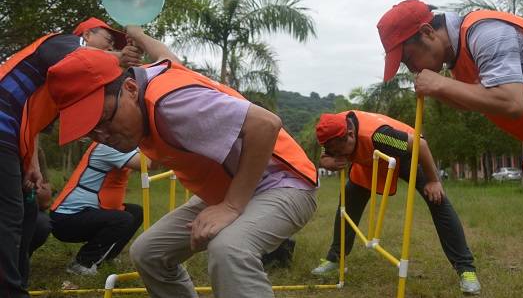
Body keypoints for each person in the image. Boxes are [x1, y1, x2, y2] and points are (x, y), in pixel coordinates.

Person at [45, 27, 319, 298]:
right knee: (148, 253)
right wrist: (139, 35)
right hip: (229, 186)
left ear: (130, 89)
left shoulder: (173, 104)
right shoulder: (142, 88)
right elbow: (168, 58)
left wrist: (232, 205)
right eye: (90, 131)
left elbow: (266, 124)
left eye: (104, 120)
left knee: (229, 249)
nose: (102, 136)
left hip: (284, 182)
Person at [376, 0, 523, 298]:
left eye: (407, 59)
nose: (410, 68)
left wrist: (440, 86)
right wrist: (443, 88)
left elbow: (510, 102)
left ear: (428, 32)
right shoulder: (461, 57)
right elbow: (473, 101)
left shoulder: (486, 32)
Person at [0, 17, 140, 297]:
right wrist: (119, 58)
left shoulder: (62, 86)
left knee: (27, 213)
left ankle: (18, 284)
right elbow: (73, 55)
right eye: (107, 40)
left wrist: (32, 163)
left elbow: (35, 126)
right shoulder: (62, 43)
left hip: (14, 140)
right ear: (87, 34)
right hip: (2, 127)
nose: (111, 46)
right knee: (10, 216)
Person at [312, 111, 481, 295]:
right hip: (371, 160)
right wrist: (327, 160)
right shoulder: (333, 128)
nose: (338, 155)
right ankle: (335, 258)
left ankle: (466, 271)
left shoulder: (382, 137)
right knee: (348, 201)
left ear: (350, 134)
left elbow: (420, 145)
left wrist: (433, 181)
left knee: (438, 201)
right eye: (334, 151)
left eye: (340, 151)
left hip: (407, 156)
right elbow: (326, 153)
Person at [50, 142, 146, 275]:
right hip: (66, 218)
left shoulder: (123, 143)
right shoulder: (108, 145)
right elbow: (147, 164)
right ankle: (82, 263)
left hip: (86, 212)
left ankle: (105, 258)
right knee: (123, 219)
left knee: (136, 212)